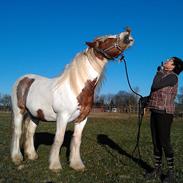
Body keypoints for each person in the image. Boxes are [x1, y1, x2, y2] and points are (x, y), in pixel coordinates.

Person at [145, 57, 183, 183]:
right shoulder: (163, 76)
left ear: (173, 66)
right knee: (156, 142)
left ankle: (171, 173)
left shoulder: (173, 77)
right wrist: (146, 99)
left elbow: (155, 84)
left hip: (165, 114)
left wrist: (159, 71)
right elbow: (155, 90)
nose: (166, 61)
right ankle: (157, 169)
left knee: (165, 142)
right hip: (155, 111)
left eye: (169, 61)